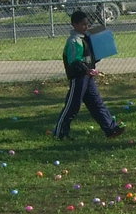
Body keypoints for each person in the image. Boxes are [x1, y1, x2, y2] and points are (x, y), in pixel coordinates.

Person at [53, 10, 125, 140]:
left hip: (88, 77)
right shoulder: (74, 41)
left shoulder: (86, 38)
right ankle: (60, 133)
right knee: (72, 106)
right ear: (74, 25)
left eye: (87, 24)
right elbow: (74, 61)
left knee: (97, 103)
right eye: (82, 24)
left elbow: (90, 57)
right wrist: (86, 69)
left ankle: (111, 129)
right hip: (78, 78)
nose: (86, 27)